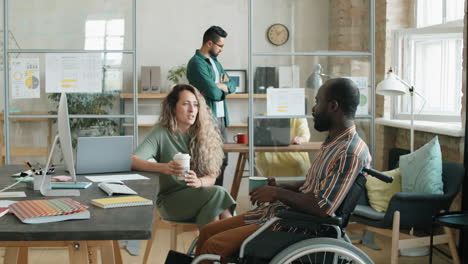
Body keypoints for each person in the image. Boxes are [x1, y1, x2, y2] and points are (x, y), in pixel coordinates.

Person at [194, 78, 372, 262]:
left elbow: (322, 208)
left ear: (333, 106)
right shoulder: (334, 142)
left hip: (296, 226)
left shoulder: (349, 152)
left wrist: (277, 193)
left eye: (318, 101)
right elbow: (314, 185)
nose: (313, 108)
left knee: (213, 246)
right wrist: (280, 187)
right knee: (207, 231)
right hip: (278, 214)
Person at [132, 84, 236, 228]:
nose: (192, 110)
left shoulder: (204, 135)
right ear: (173, 108)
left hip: (201, 195)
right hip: (171, 202)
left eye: (195, 105)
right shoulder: (161, 133)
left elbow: (211, 178)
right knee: (219, 195)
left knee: (216, 202)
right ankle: (226, 247)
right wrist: (164, 168)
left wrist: (199, 182)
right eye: (186, 104)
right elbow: (133, 160)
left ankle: (214, 246)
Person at [186, 25, 236, 186]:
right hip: (207, 120)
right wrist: (221, 86)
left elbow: (233, 85)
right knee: (208, 164)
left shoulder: (216, 63)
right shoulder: (196, 63)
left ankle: (219, 202)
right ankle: (210, 203)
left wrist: (219, 85)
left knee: (223, 161)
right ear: (209, 43)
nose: (222, 49)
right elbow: (213, 94)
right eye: (220, 46)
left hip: (221, 119)